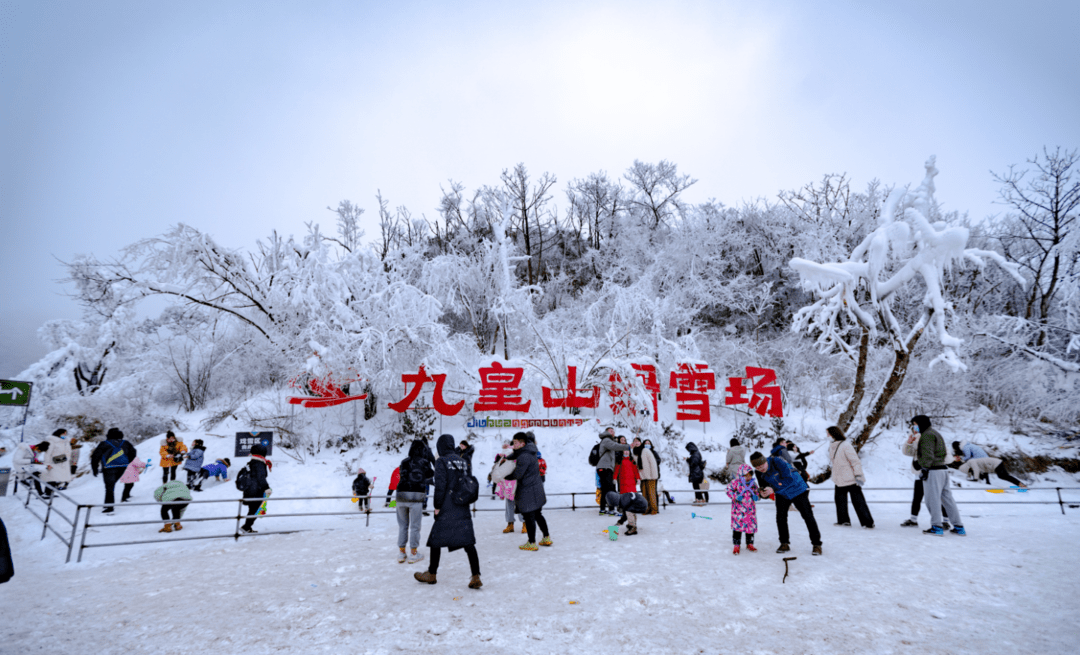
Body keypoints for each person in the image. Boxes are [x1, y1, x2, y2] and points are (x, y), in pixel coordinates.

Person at [414, 434, 482, 589]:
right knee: (468, 542)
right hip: (462, 505)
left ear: (441, 446)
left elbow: (441, 486)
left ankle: (431, 574)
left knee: (436, 540)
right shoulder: (463, 460)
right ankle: (476, 575)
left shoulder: (441, 461)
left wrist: (437, 506)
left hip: (447, 506)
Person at [751, 450, 822, 556]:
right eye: (757, 467)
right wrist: (763, 494)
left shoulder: (777, 461)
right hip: (781, 493)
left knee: (807, 516)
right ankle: (784, 543)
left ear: (765, 460)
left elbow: (788, 478)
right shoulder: (759, 472)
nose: (761, 468)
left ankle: (817, 544)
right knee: (780, 517)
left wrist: (772, 489)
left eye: (762, 465)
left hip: (797, 489)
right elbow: (764, 487)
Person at [911, 415, 965, 537]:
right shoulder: (935, 432)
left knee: (932, 500)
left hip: (933, 471)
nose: (914, 426)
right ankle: (958, 526)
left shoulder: (927, 435)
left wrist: (920, 465)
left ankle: (936, 526)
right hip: (943, 470)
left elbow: (928, 456)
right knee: (947, 499)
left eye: (915, 424)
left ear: (921, 423)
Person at [505, 432, 551, 550]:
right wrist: (506, 457)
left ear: (522, 443)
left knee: (529, 516)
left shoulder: (523, 456)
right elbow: (515, 454)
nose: (513, 445)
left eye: (515, 443)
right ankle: (546, 538)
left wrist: (507, 476)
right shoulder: (528, 450)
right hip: (536, 488)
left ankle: (531, 543)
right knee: (538, 514)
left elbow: (518, 474)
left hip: (528, 490)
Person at [826, 426, 874, 529]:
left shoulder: (846, 445)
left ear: (833, 434)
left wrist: (859, 475)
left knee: (858, 501)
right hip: (839, 478)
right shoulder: (832, 446)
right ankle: (843, 521)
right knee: (840, 500)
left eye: (828, 434)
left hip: (851, 478)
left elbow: (855, 461)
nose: (827, 436)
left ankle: (867, 522)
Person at [396, 439, 434, 563]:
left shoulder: (404, 461)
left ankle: (402, 553)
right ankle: (413, 553)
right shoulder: (424, 462)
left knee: (403, 525)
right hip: (416, 496)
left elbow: (403, 475)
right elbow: (430, 474)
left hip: (401, 494)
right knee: (415, 526)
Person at [90, 428, 138, 514]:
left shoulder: (104, 444)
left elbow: (95, 456)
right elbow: (133, 453)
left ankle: (109, 507)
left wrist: (94, 468)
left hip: (109, 468)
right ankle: (107, 504)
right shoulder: (125, 443)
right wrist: (127, 461)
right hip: (122, 467)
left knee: (109, 487)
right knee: (111, 486)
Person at [595, 428, 631, 516]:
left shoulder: (607, 440)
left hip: (603, 467)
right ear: (606, 432)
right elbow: (615, 446)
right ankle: (612, 509)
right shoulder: (607, 439)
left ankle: (602, 509)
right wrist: (627, 446)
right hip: (605, 467)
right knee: (610, 488)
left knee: (605, 489)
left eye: (614, 431)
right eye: (611, 431)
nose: (613, 432)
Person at [726, 464, 759, 554]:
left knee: (750, 527)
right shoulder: (735, 482)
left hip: (750, 511)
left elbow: (757, 491)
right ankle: (736, 544)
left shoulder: (753, 483)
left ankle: (750, 543)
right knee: (737, 528)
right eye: (746, 475)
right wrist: (736, 496)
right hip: (738, 511)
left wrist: (757, 496)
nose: (748, 477)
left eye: (750, 475)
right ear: (741, 474)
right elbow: (728, 490)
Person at [239, 444, 271, 534]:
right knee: (255, 510)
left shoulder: (251, 462)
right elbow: (260, 477)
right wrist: (266, 488)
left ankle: (247, 527)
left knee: (252, 510)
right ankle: (246, 527)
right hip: (256, 490)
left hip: (249, 490)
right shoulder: (259, 464)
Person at [491, 443, 522, 533]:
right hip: (507, 483)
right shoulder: (503, 456)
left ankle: (524, 524)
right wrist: (501, 460)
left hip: (518, 483)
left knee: (520, 505)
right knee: (509, 505)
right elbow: (497, 465)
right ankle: (510, 524)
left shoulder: (520, 455)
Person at [958, 457, 1027, 488]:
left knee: (1003, 476)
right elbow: (984, 471)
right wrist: (987, 482)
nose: (970, 471)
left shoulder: (971, 461)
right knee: (1005, 476)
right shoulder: (975, 464)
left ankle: (1021, 485)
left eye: (969, 471)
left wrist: (975, 479)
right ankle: (1021, 485)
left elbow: (976, 470)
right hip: (997, 463)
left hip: (996, 464)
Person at [41, 429, 73, 495]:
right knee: (51, 478)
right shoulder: (52, 441)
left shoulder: (64, 442)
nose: (65, 435)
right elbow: (47, 453)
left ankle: (50, 493)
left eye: (65, 433)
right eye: (64, 433)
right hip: (53, 462)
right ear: (60, 433)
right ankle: (47, 493)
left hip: (61, 461)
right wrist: (47, 463)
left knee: (55, 478)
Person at [635, 438, 660, 514]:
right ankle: (647, 508)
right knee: (645, 494)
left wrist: (654, 474)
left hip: (651, 475)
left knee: (652, 493)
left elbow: (654, 463)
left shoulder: (649, 452)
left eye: (648, 443)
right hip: (643, 476)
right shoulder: (639, 452)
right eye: (645, 443)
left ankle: (654, 509)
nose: (647, 445)